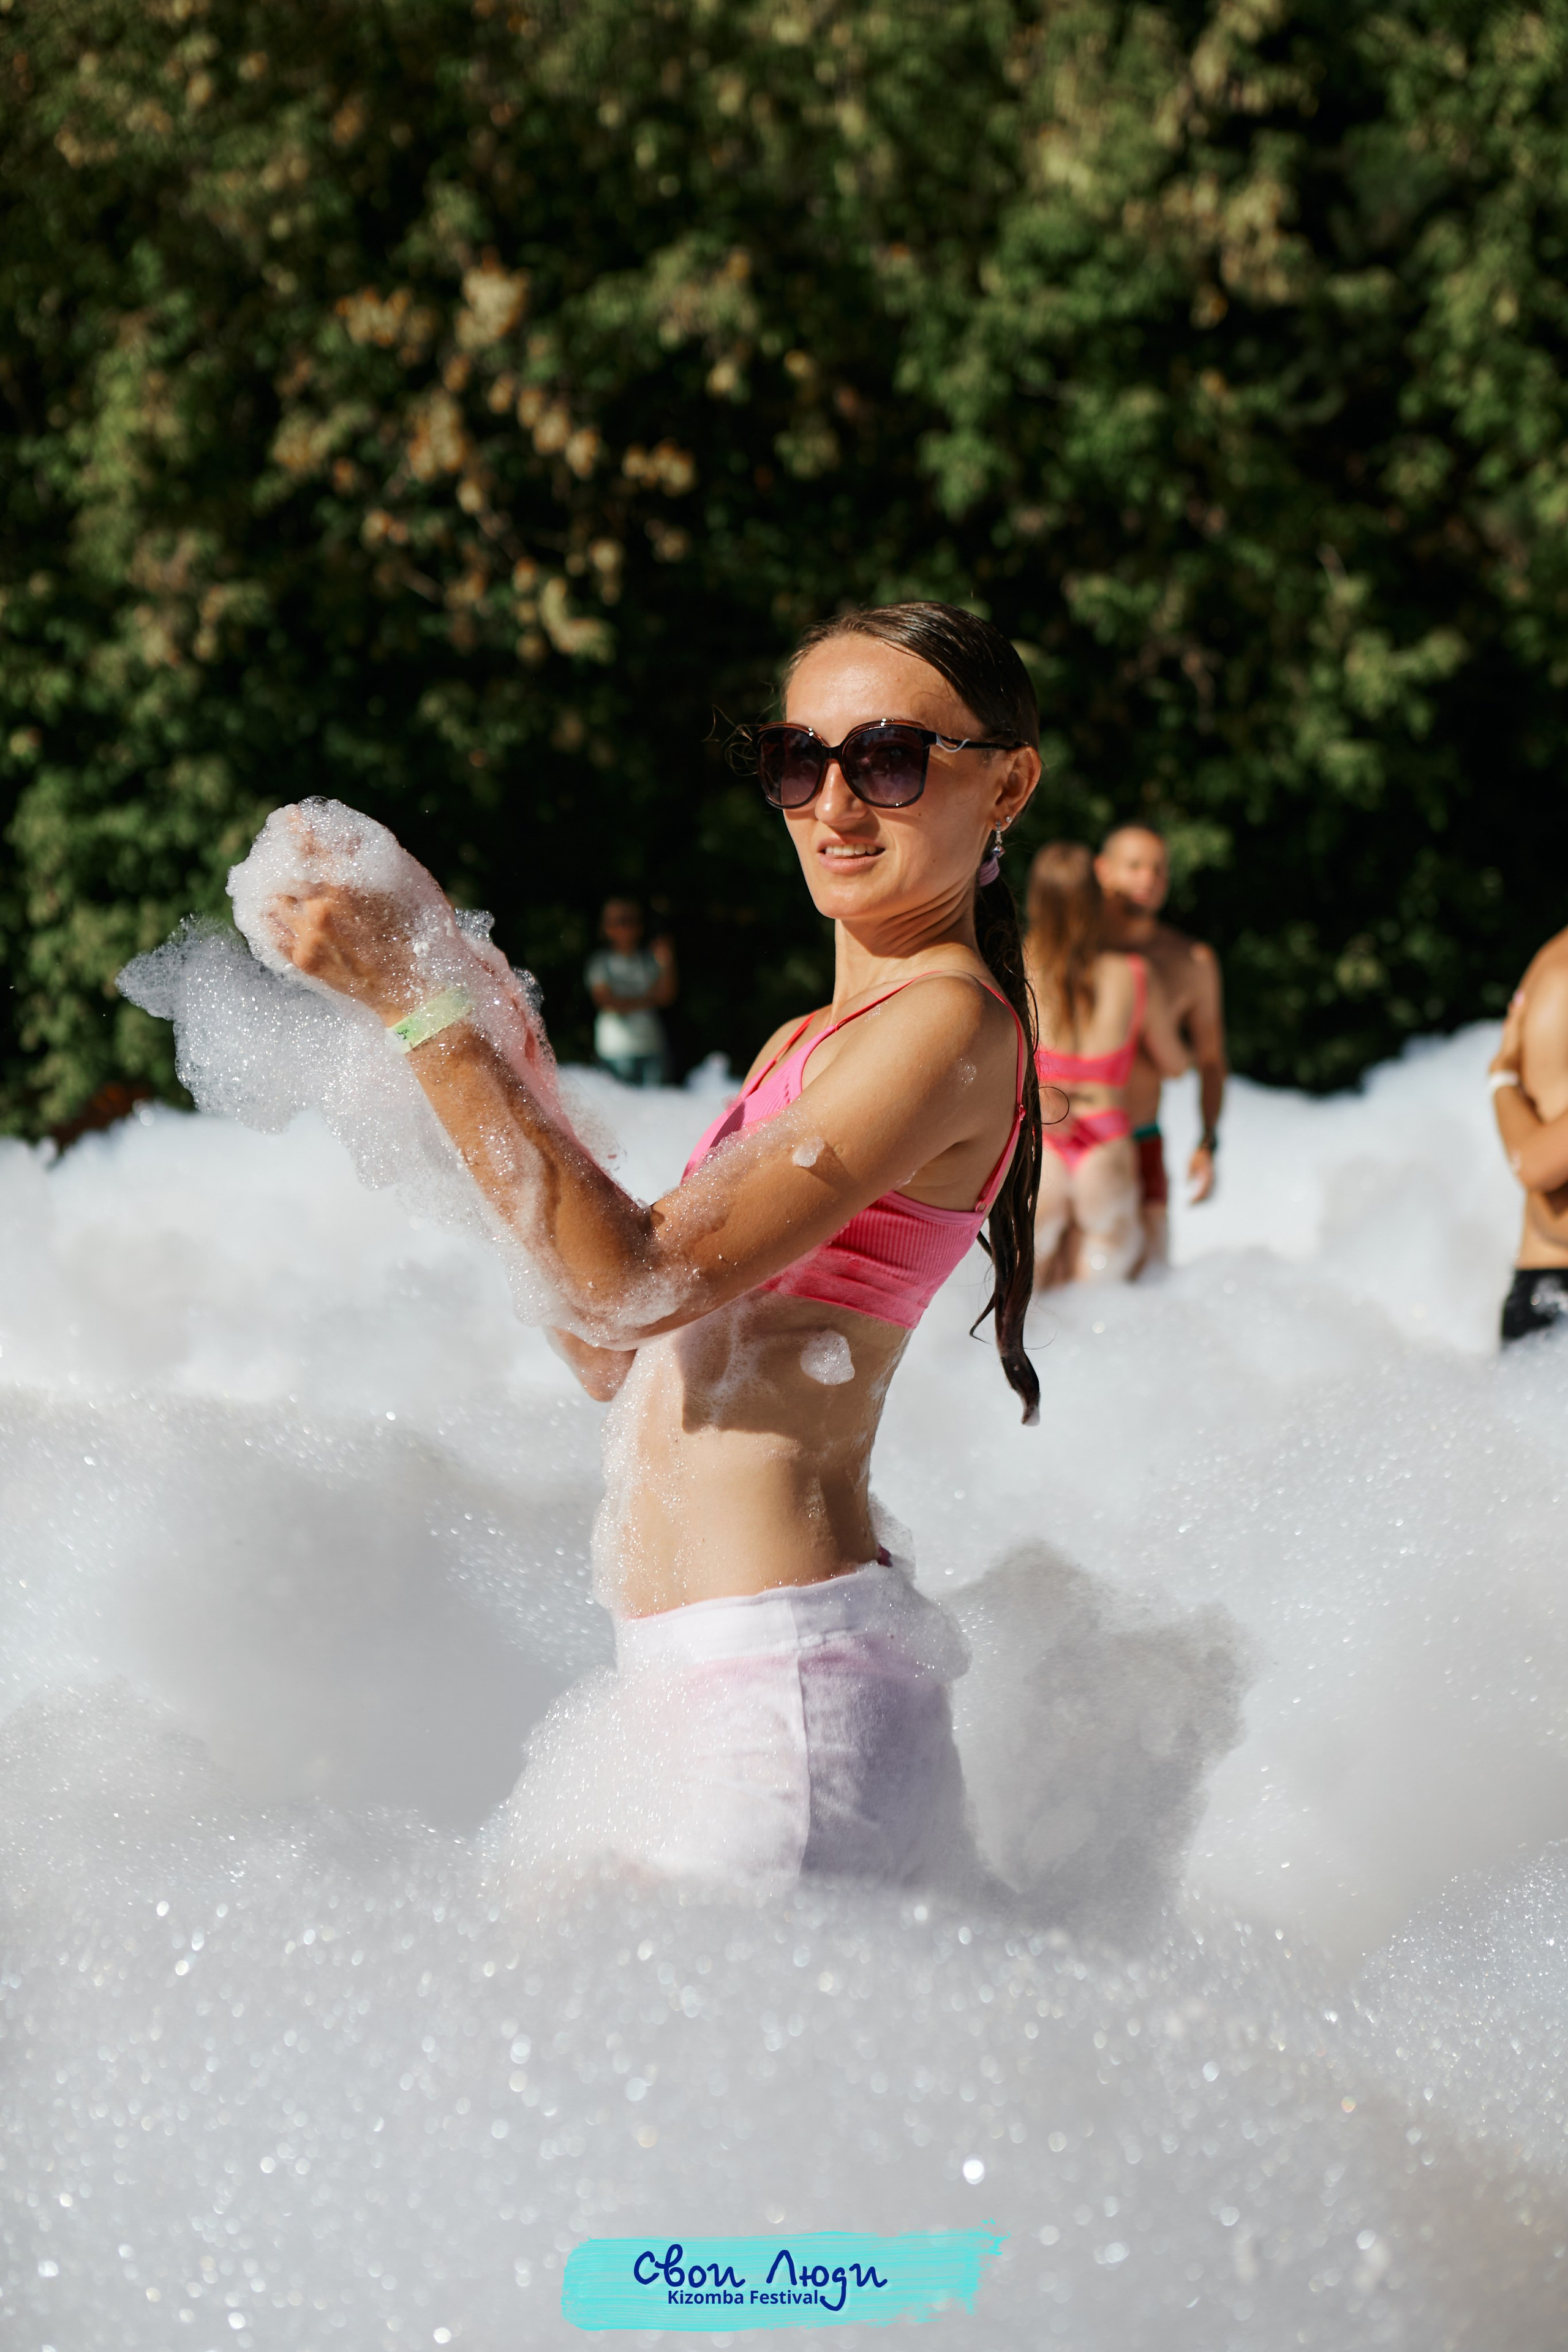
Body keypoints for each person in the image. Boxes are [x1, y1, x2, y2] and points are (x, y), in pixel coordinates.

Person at [258, 601, 1043, 1894]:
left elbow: (624, 1281)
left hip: (784, 1700)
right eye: (800, 761)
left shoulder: (946, 1024)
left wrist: (423, 1003)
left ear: (1004, 781)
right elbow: (604, 1347)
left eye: (889, 759)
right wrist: (480, 1012)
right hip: (686, 1687)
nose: (834, 805)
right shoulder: (805, 1043)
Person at [1025, 843, 1186, 1286]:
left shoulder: (1015, 969)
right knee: (1101, 1296)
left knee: (1026, 1293)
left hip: (1045, 1139)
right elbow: (1175, 1064)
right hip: (1106, 1136)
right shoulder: (1133, 974)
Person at [1093, 824, 1227, 1268]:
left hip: (1144, 1139)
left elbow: (1210, 1061)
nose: (1149, 879)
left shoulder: (1191, 961)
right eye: (1135, 866)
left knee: (1148, 1290)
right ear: (1103, 870)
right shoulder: (1068, 951)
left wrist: (1208, 1140)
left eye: (1159, 871)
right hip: (1067, 1144)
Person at [1488, 925, 1568, 1342]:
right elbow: (1536, 1166)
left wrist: (1502, 1078)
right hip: (1556, 1301)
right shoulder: (1560, 973)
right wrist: (1499, 1079)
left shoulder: (1553, 957)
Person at [585, 897, 676, 1086]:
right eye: (618, 921)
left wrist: (667, 963)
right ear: (605, 927)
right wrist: (649, 1000)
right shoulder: (600, 962)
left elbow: (666, 996)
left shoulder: (649, 960)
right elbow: (606, 1001)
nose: (624, 927)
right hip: (614, 1050)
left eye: (629, 920)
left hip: (651, 1047)